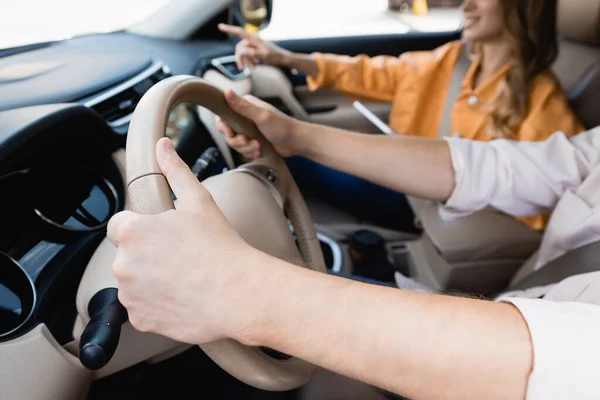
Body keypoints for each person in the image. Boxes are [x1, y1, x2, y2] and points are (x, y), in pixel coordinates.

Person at [109, 91, 600, 400]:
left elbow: (576, 364)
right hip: (508, 320)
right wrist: (298, 136)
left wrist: (238, 288)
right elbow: (492, 168)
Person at [217, 0, 584, 232]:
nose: (466, 6)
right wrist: (285, 58)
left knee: (284, 163)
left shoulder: (542, 101)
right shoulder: (451, 60)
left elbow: (559, 195)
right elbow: (372, 73)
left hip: (434, 208)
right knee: (277, 161)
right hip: (402, 181)